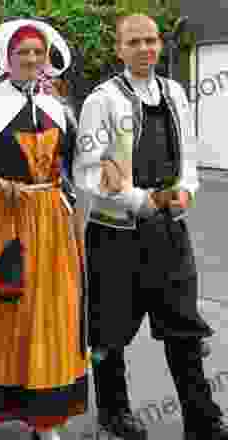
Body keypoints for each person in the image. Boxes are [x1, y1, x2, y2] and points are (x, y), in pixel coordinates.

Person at [74, 14, 228, 440]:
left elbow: (190, 157)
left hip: (168, 231)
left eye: (152, 41)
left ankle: (202, 418)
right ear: (119, 49)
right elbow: (88, 172)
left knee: (183, 326)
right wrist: (140, 200)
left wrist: (187, 192)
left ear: (160, 46)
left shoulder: (176, 93)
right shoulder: (101, 101)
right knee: (109, 331)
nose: (146, 49)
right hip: (114, 235)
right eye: (135, 42)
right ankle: (114, 411)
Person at [0, 19, 88, 440]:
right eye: (22, 53)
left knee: (54, 312)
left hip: (51, 218)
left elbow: (79, 159)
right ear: (6, 60)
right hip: (6, 220)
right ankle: (6, 401)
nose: (30, 59)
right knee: (10, 311)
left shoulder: (57, 106)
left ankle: (45, 419)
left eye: (36, 53)